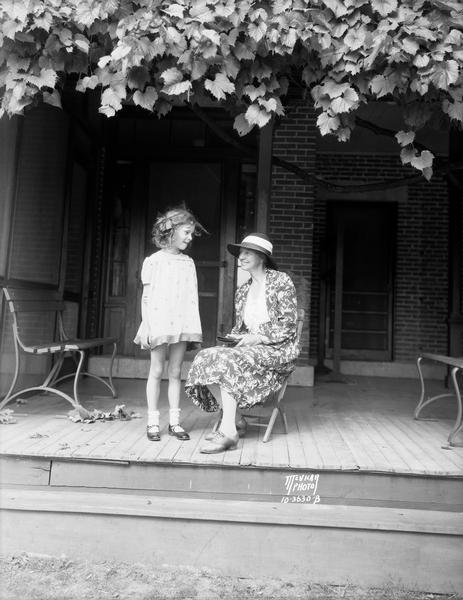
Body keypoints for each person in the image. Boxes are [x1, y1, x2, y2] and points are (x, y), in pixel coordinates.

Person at [185, 232, 299, 454]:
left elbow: (288, 325)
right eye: (240, 253)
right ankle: (237, 419)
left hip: (277, 349)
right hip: (250, 349)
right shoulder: (243, 290)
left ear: (262, 257)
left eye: (248, 252)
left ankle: (229, 433)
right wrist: (234, 339)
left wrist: (259, 337)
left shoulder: (280, 281)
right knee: (205, 356)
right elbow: (242, 329)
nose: (242, 257)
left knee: (227, 361)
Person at [134, 207, 206, 442]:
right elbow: (146, 296)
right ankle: (153, 422)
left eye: (191, 233)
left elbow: (191, 296)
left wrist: (192, 323)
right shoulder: (153, 261)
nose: (189, 237)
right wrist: (146, 324)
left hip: (181, 322)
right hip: (159, 322)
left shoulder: (188, 263)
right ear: (171, 231)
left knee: (175, 372)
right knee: (156, 370)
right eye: (186, 232)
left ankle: (175, 422)